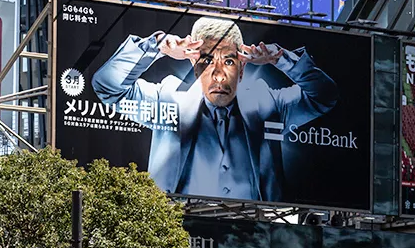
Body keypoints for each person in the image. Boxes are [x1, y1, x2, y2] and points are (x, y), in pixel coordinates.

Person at [92, 16, 339, 200]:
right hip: (174, 236)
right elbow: (107, 86)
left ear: (242, 69)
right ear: (194, 64)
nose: (219, 75)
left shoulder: (267, 103)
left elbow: (324, 96)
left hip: (253, 237)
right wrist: (155, 46)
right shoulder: (167, 99)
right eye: (208, 60)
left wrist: (281, 59)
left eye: (229, 61)